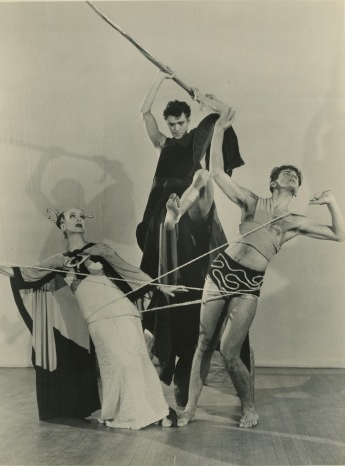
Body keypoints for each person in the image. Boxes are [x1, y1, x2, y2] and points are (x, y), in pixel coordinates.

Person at [178, 109, 345, 428]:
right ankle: (189, 408)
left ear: (296, 189)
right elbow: (216, 172)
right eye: (286, 173)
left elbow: (339, 234)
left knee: (229, 352)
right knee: (204, 341)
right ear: (274, 182)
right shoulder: (253, 202)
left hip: (248, 285)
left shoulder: (295, 222)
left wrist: (332, 202)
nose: (292, 176)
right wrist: (220, 131)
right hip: (221, 271)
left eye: (296, 177)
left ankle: (249, 407)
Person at [0, 208, 185, 429]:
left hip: (122, 308)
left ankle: (154, 412)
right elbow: (29, 273)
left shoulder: (100, 249)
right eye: (73, 216)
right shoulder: (59, 261)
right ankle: (122, 411)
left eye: (82, 216)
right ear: (63, 225)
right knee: (115, 363)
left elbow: (128, 270)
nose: (79, 219)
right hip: (96, 317)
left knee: (136, 359)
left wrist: (159, 287)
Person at [137, 70, 247, 407]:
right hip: (161, 205)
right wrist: (159, 79)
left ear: (188, 119)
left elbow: (226, 115)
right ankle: (160, 299)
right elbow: (145, 112)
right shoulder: (163, 142)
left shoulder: (198, 137)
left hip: (187, 202)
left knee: (192, 229)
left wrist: (205, 99)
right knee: (159, 240)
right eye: (172, 123)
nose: (176, 128)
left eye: (180, 122)